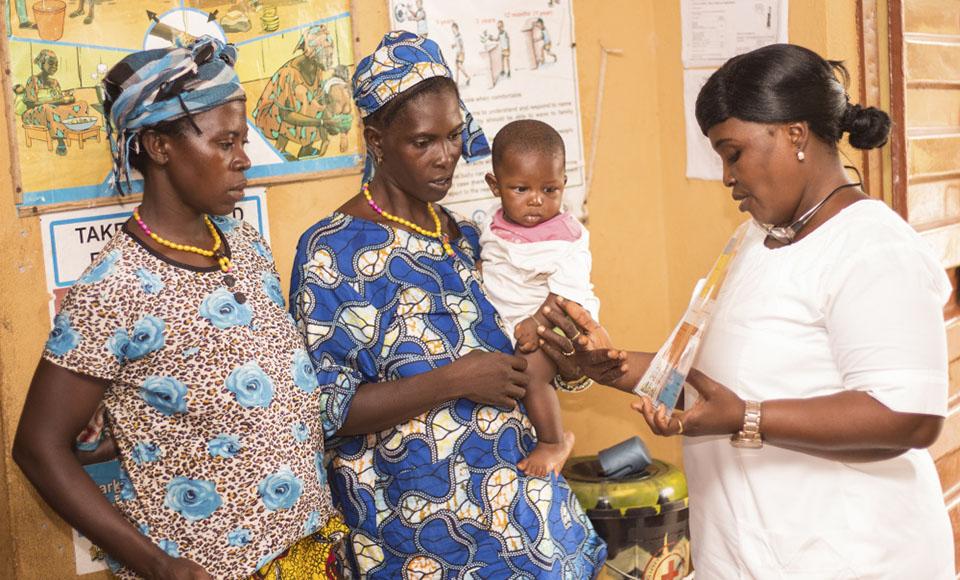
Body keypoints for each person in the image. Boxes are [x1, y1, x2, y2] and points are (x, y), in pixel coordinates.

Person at [534, 43, 955, 579]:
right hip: (749, 557)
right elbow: (715, 390)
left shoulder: (872, 247)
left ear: (794, 135)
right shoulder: (752, 241)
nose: (727, 175)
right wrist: (606, 367)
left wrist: (748, 418)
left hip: (852, 558)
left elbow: (909, 417)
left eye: (734, 152)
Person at [13, 38, 346, 580]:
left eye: (242, 141)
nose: (244, 158)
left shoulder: (244, 244)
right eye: (224, 143)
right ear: (158, 147)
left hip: (306, 551)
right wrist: (158, 565)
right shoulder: (113, 287)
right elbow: (37, 447)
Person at [289, 31, 606, 579]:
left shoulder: (468, 237)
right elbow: (324, 412)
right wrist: (452, 380)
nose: (446, 158)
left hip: (531, 530)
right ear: (377, 139)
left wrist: (570, 360)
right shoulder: (330, 253)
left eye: (455, 136)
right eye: (423, 142)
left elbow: (521, 354)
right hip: (423, 547)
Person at [479, 119, 599, 478]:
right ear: (494, 186)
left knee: (531, 377)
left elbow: (568, 293)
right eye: (520, 189)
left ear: (564, 185)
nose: (536, 200)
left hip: (555, 323)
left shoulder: (567, 237)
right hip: (516, 322)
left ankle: (552, 441)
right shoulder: (492, 223)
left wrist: (538, 322)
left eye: (550, 190)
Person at [253, 25, 332, 159]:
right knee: (301, 99)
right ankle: (280, 150)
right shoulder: (289, 74)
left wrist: (325, 139)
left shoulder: (317, 69)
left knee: (313, 102)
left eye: (331, 55)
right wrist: (320, 123)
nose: (331, 61)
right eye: (327, 56)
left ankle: (306, 148)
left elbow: (318, 104)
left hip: (291, 110)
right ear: (314, 54)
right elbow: (286, 115)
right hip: (272, 115)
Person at [22, 49, 92, 156]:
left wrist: (68, 99)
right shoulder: (33, 80)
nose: (54, 66)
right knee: (47, 108)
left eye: (56, 64)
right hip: (35, 113)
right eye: (50, 63)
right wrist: (59, 101)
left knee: (82, 104)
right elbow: (30, 104)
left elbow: (60, 102)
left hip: (53, 109)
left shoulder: (54, 82)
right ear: (42, 63)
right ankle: (60, 141)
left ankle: (79, 130)